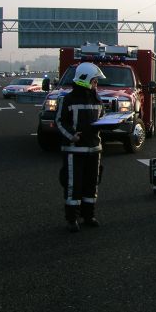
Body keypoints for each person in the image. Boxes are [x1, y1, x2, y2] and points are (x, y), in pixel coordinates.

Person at [55, 62, 106, 232]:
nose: (96, 84)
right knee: (73, 185)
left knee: (92, 184)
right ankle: (72, 219)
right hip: (74, 151)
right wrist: (72, 136)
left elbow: (101, 119)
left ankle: (88, 215)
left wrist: (110, 124)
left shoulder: (97, 98)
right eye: (94, 81)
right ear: (85, 79)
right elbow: (60, 122)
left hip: (94, 150)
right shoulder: (67, 99)